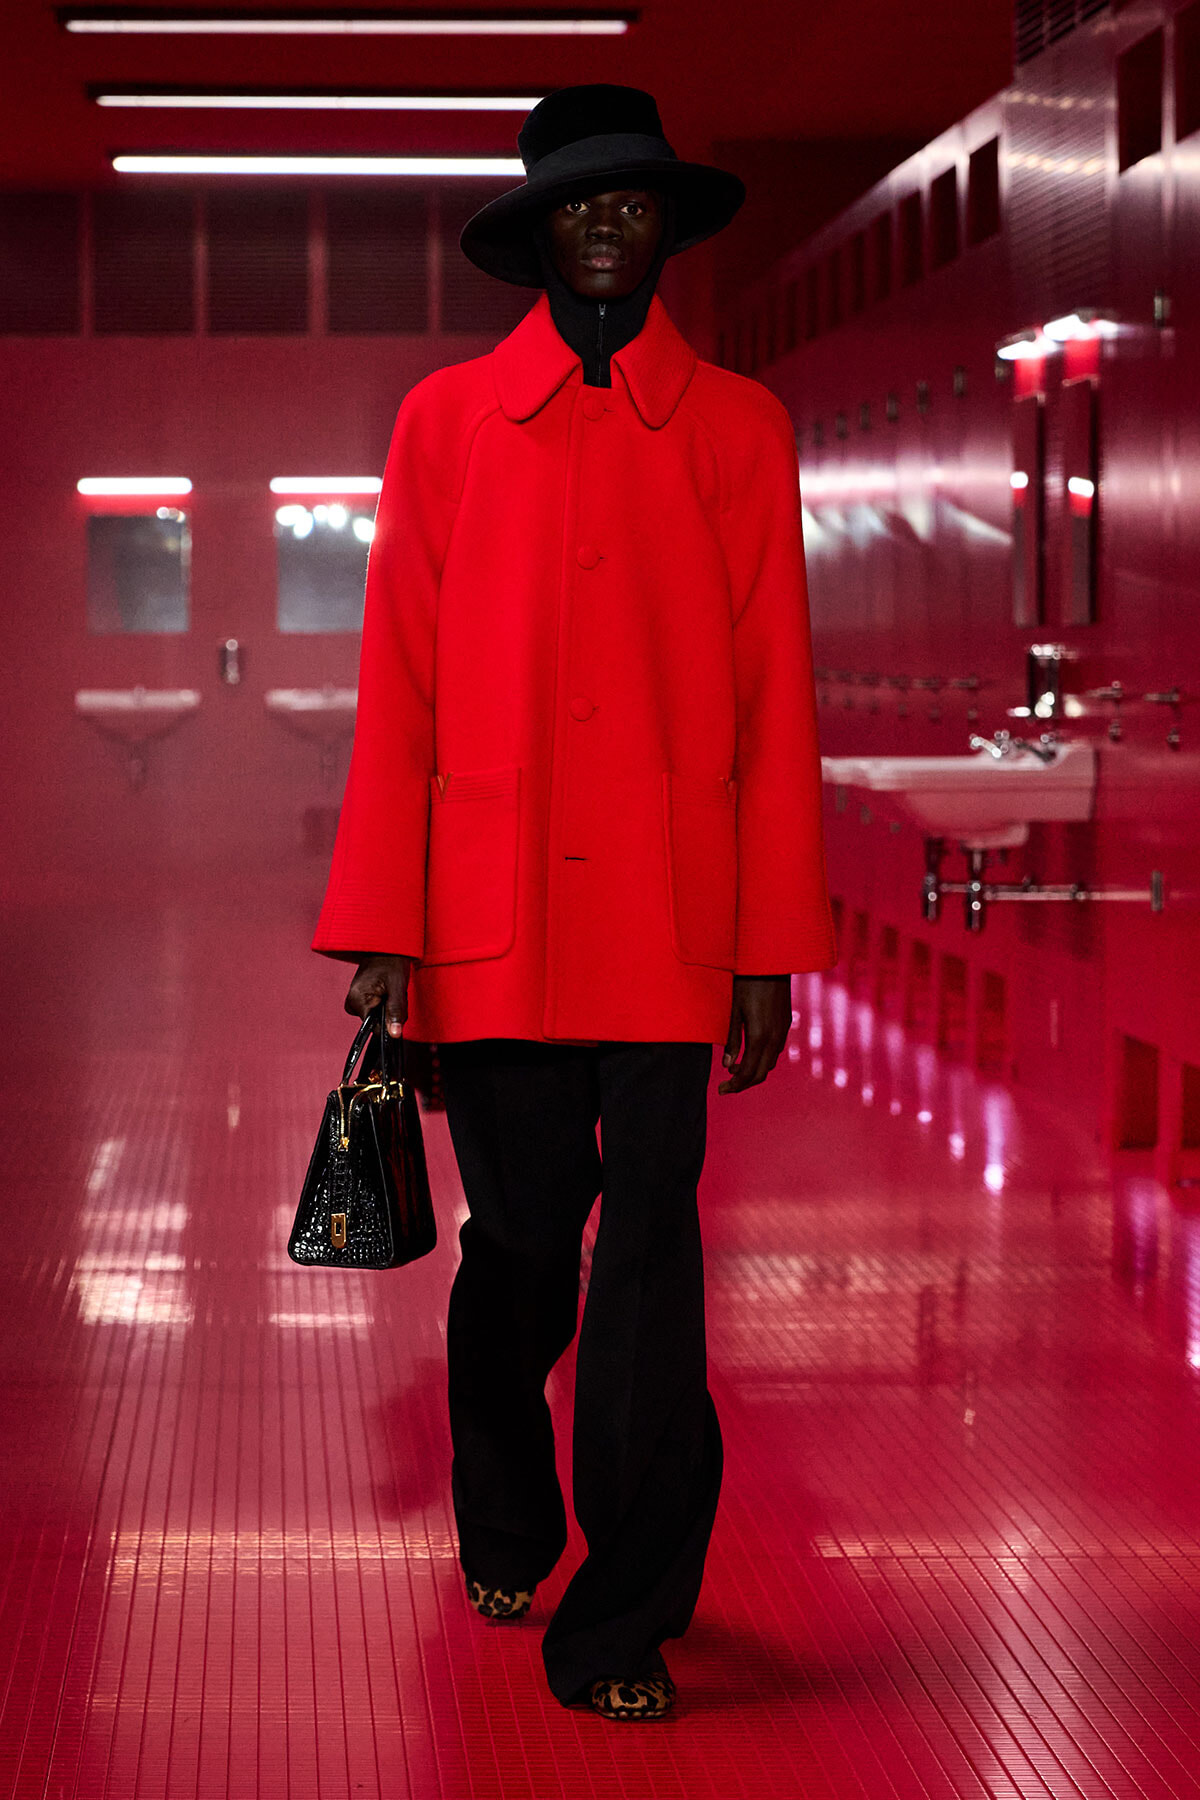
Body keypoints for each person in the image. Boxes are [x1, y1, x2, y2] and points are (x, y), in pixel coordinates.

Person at [311, 84, 837, 1721]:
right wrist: (386, 925)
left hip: (677, 926)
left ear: (667, 224)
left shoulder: (742, 430)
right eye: (580, 201)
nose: (609, 223)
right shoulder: (447, 423)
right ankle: (506, 1506)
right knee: (525, 1249)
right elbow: (397, 685)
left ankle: (624, 1617)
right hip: (487, 919)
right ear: (540, 228)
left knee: (650, 1267)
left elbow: (776, 694)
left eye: (636, 200)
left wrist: (771, 946)